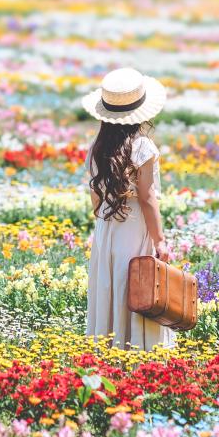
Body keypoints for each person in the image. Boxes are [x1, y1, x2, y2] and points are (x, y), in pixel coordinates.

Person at [81, 67, 175, 351]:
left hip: (107, 226)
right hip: (134, 228)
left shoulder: (97, 147)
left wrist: (107, 216)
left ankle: (108, 346)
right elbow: (147, 198)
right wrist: (160, 240)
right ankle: (138, 349)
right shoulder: (143, 146)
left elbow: (95, 197)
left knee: (110, 285)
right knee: (136, 285)